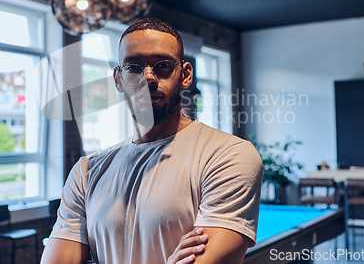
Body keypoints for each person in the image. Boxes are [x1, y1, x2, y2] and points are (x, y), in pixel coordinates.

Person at [41, 18, 263, 264]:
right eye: (133, 67)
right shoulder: (86, 172)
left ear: (185, 75)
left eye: (163, 65)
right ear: (118, 79)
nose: (148, 78)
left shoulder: (228, 155)